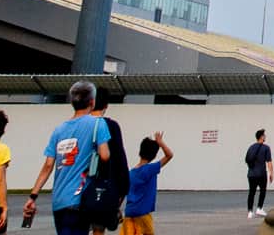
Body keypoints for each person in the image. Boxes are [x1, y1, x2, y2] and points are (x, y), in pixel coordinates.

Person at [24, 80, 111, 235]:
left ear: (72, 102)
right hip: (80, 198)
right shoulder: (98, 123)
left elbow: (48, 166)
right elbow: (105, 156)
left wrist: (33, 196)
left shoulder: (59, 130)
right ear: (92, 102)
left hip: (59, 201)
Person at [88, 90, 130, 234]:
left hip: (79, 184)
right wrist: (123, 188)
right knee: (99, 227)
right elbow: (119, 158)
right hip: (103, 184)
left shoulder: (80, 124)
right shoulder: (111, 126)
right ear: (106, 105)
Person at [120, 132, 172, 235]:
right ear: (154, 156)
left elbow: (123, 193)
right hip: (143, 213)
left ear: (140, 152)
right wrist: (160, 142)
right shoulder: (150, 169)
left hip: (129, 212)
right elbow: (169, 155)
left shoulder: (130, 173)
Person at [244, 129, 273, 219]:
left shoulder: (251, 147)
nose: (265, 137)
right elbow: (269, 162)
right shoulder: (266, 148)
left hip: (251, 174)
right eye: (264, 135)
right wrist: (271, 173)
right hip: (261, 174)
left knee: (251, 192)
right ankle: (259, 208)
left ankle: (250, 212)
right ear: (261, 137)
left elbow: (247, 159)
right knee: (263, 191)